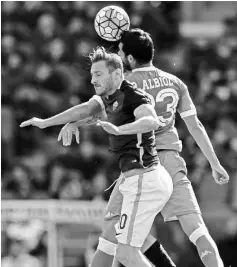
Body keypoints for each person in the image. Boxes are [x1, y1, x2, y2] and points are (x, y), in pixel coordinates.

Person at [58, 29, 229, 267]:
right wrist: (215, 163)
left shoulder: (126, 85)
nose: (116, 56)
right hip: (171, 162)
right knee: (198, 232)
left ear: (128, 59)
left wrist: (73, 121)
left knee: (113, 233)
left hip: (142, 164)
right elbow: (195, 125)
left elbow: (98, 111)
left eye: (119, 52)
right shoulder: (176, 82)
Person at [20, 47, 174, 267]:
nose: (93, 79)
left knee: (126, 253)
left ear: (118, 75)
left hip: (145, 179)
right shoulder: (108, 98)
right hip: (130, 180)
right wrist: (48, 123)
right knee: (110, 239)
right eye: (92, 75)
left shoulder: (134, 97)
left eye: (99, 74)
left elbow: (152, 121)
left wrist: (121, 131)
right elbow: (87, 109)